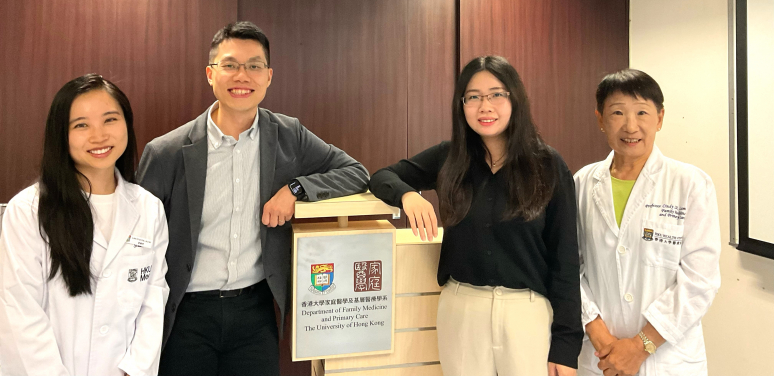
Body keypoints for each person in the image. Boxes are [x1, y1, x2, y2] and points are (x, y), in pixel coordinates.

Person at [137, 21, 369, 376]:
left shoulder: (288, 135)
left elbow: (355, 172)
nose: (242, 76)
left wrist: (296, 191)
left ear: (269, 76)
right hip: (185, 312)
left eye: (254, 66)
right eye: (230, 65)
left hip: (256, 311)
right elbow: (137, 242)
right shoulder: (167, 151)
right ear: (210, 74)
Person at [369, 55, 582, 376]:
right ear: (462, 104)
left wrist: (567, 348)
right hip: (462, 308)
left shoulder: (547, 164)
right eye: (473, 97)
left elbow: (565, 258)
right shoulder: (450, 157)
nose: (485, 106)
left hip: (526, 312)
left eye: (497, 94)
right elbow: (381, 177)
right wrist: (408, 195)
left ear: (515, 98)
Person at [0, 74, 169, 376]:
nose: (99, 135)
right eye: (81, 125)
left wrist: (134, 370)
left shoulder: (149, 209)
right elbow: (20, 315)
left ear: (126, 124)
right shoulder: (27, 211)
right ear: (60, 136)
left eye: (110, 120)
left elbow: (153, 304)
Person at [574, 69, 721, 376]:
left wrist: (640, 346)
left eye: (642, 112)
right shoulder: (581, 184)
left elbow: (699, 281)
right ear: (600, 119)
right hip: (601, 358)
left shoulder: (690, 184)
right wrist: (599, 335)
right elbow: (567, 268)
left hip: (668, 359)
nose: (631, 126)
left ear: (660, 118)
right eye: (617, 113)